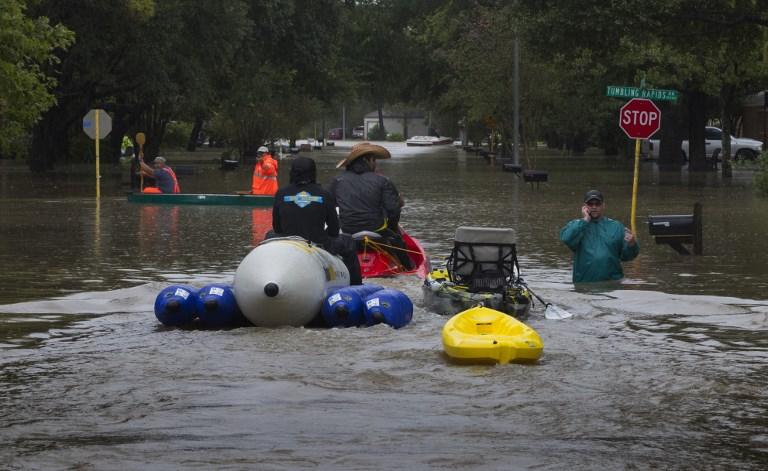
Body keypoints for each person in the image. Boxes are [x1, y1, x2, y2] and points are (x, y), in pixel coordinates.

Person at [272, 156, 362, 284]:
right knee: (348, 241)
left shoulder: (281, 193)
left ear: (292, 172)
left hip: (288, 243)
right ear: (313, 173)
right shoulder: (324, 194)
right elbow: (334, 230)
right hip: (317, 243)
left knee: (269, 235)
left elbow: (277, 227)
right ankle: (355, 285)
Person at [328, 142, 412, 269]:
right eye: (374, 160)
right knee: (399, 243)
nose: (376, 163)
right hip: (377, 232)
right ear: (368, 160)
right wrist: (393, 229)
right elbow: (393, 211)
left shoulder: (337, 181)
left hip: (348, 231)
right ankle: (409, 268)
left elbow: (329, 208)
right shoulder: (383, 181)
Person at [559, 189, 639, 283]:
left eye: (597, 204)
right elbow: (566, 238)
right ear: (585, 207)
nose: (594, 207)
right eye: (590, 204)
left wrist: (632, 245)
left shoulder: (617, 226)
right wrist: (585, 220)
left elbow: (627, 257)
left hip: (613, 283)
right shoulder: (576, 225)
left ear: (603, 205)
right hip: (585, 283)